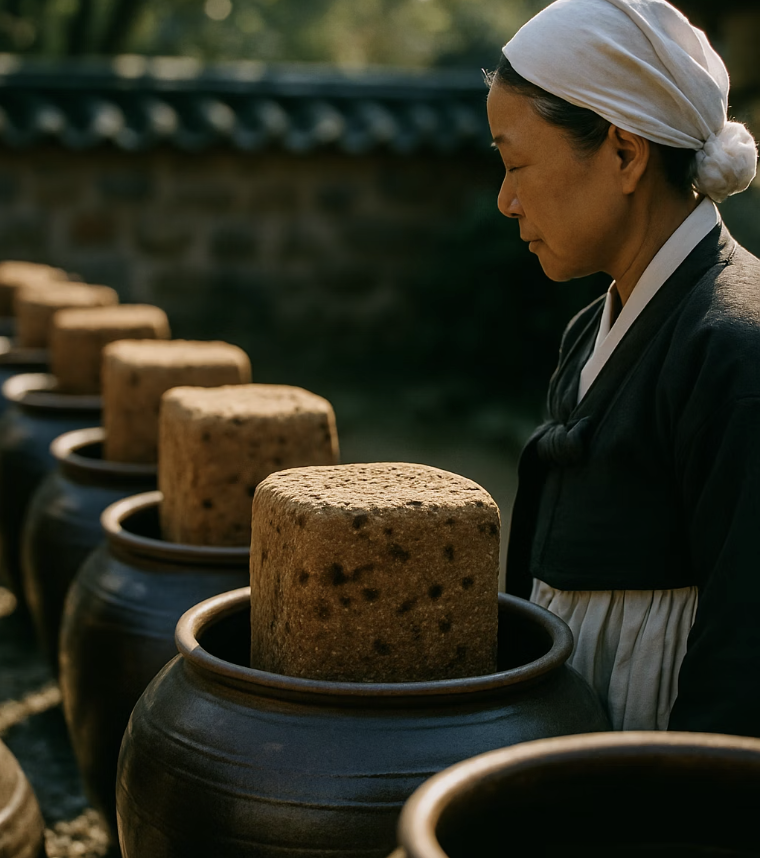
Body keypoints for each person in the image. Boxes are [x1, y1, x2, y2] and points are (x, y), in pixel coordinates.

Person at [489, 0, 760, 735]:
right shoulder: (594, 328)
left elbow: (746, 649)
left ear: (623, 153)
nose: (507, 199)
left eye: (516, 163)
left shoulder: (736, 348)